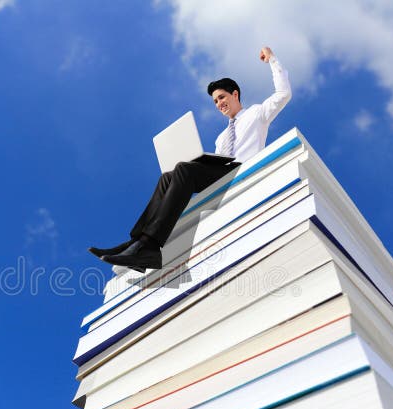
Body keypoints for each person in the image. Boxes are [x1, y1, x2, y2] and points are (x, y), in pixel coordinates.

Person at [89, 46, 292, 272]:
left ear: (235, 94)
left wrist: (272, 59)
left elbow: (283, 94)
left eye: (222, 97)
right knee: (168, 176)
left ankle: (151, 247)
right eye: (215, 101)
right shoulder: (221, 137)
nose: (219, 104)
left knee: (184, 170)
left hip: (242, 172)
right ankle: (138, 242)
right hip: (222, 173)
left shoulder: (257, 113)